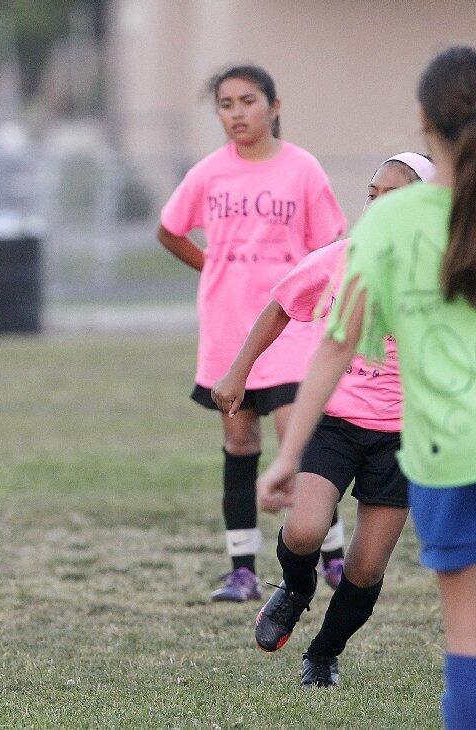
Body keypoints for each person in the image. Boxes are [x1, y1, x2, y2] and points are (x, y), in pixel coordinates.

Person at [258, 47, 476, 725]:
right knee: (318, 539)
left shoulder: (394, 226)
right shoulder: (381, 230)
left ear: (422, 120)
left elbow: (334, 340)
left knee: (463, 632)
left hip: (438, 447)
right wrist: (298, 450)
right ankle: (303, 614)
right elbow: (339, 335)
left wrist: (285, 453)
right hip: (404, 440)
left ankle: (325, 650)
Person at [213, 153, 434, 687]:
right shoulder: (341, 258)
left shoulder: (442, 276)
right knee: (307, 527)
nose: (377, 203)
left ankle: (324, 653)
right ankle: (296, 586)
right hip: (334, 422)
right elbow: (281, 305)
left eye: (393, 195)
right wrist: (238, 370)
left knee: (364, 569)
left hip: (404, 436)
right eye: (373, 192)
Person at [157, 64, 348, 602]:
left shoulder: (303, 170)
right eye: (226, 104)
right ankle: (241, 569)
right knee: (240, 441)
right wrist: (211, 266)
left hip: (290, 331)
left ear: (274, 105)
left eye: (248, 100)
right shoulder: (209, 172)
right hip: (228, 330)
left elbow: (331, 249)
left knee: (298, 440)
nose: (237, 113)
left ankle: (331, 557)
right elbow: (170, 229)